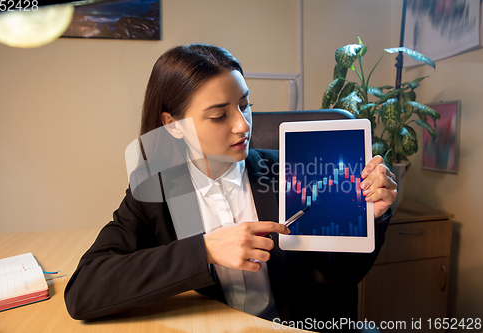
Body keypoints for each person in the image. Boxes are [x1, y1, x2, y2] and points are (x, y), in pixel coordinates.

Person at [64, 43, 397, 331]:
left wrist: (370, 216)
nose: (243, 124)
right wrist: (205, 249)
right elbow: (84, 290)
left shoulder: (290, 170)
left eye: (245, 104)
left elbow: (338, 276)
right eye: (219, 115)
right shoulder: (154, 192)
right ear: (173, 125)